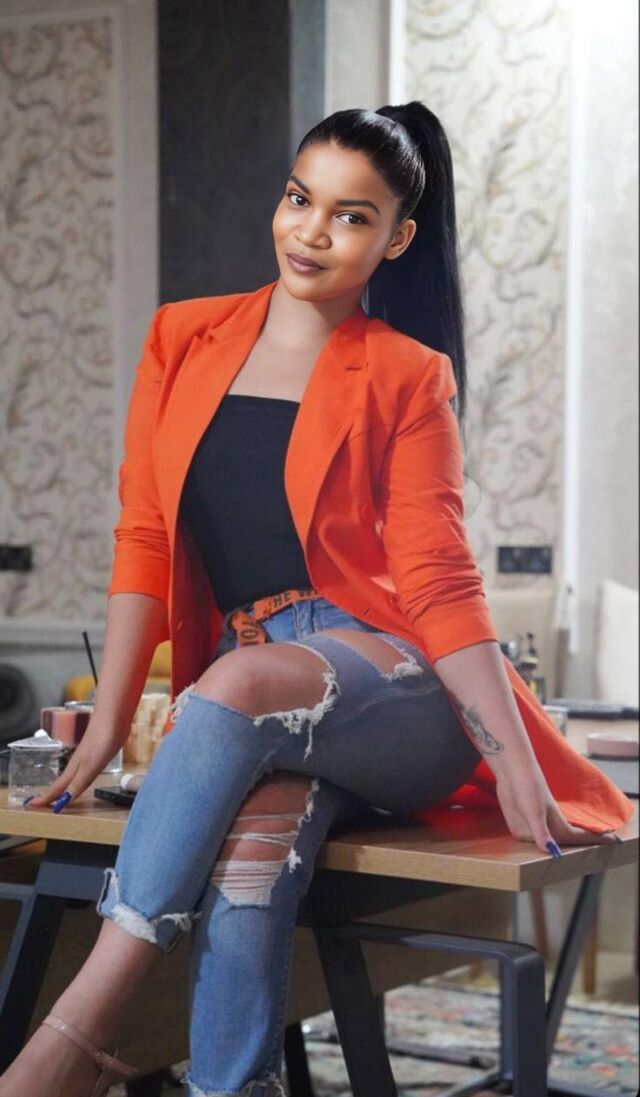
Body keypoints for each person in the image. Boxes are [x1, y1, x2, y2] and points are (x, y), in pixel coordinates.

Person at [2, 102, 629, 1097]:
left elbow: (436, 580)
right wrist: (108, 721)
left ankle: (73, 1036)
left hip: (394, 682)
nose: (311, 231)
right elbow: (145, 536)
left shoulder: (408, 374)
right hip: (258, 683)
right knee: (254, 858)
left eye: (351, 215)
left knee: (239, 682)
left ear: (396, 238)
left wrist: (512, 752)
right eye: (301, 199)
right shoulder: (182, 337)